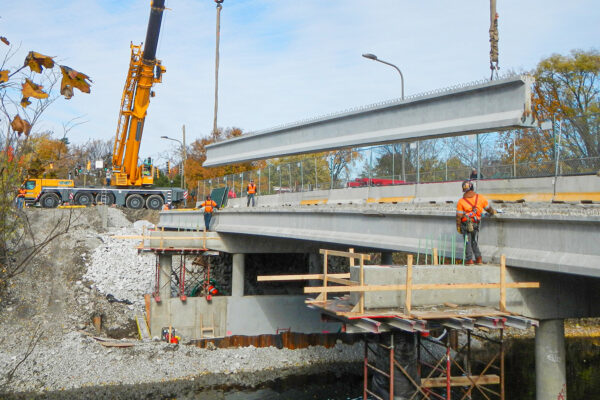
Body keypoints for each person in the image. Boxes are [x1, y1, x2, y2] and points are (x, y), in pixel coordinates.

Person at [456, 180, 496, 265]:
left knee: (467, 242)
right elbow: (488, 208)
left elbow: (459, 216)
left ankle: (469, 260)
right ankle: (479, 259)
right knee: (474, 241)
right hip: (476, 224)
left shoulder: (461, 201)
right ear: (472, 187)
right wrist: (493, 212)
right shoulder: (480, 198)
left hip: (465, 225)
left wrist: (458, 227)